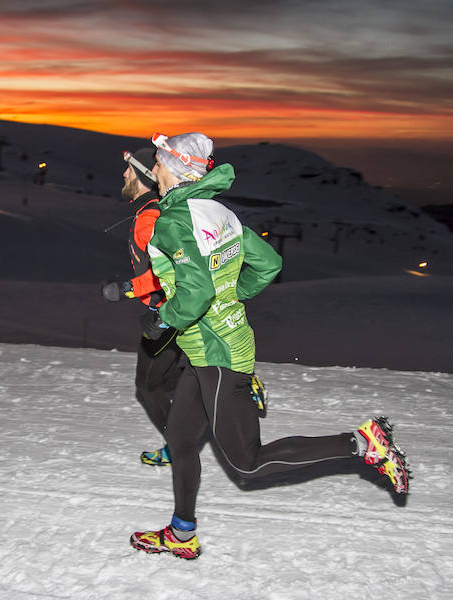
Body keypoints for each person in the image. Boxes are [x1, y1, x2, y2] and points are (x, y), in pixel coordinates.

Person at [129, 132, 410, 560]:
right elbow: (268, 264)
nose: (157, 169)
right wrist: (231, 296)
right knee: (182, 440)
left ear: (178, 169)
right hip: (210, 349)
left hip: (218, 356)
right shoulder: (217, 211)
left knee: (247, 462)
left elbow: (197, 292)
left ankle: (360, 443)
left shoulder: (173, 221)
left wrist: (162, 320)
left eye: (161, 162)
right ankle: (182, 532)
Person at [102, 147, 185, 466]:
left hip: (168, 315)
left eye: (129, 170)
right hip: (176, 312)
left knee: (148, 387)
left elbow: (170, 272)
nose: (124, 174)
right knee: (171, 378)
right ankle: (234, 384)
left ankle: (179, 448)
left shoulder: (149, 217)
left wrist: (125, 289)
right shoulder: (152, 210)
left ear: (143, 176)